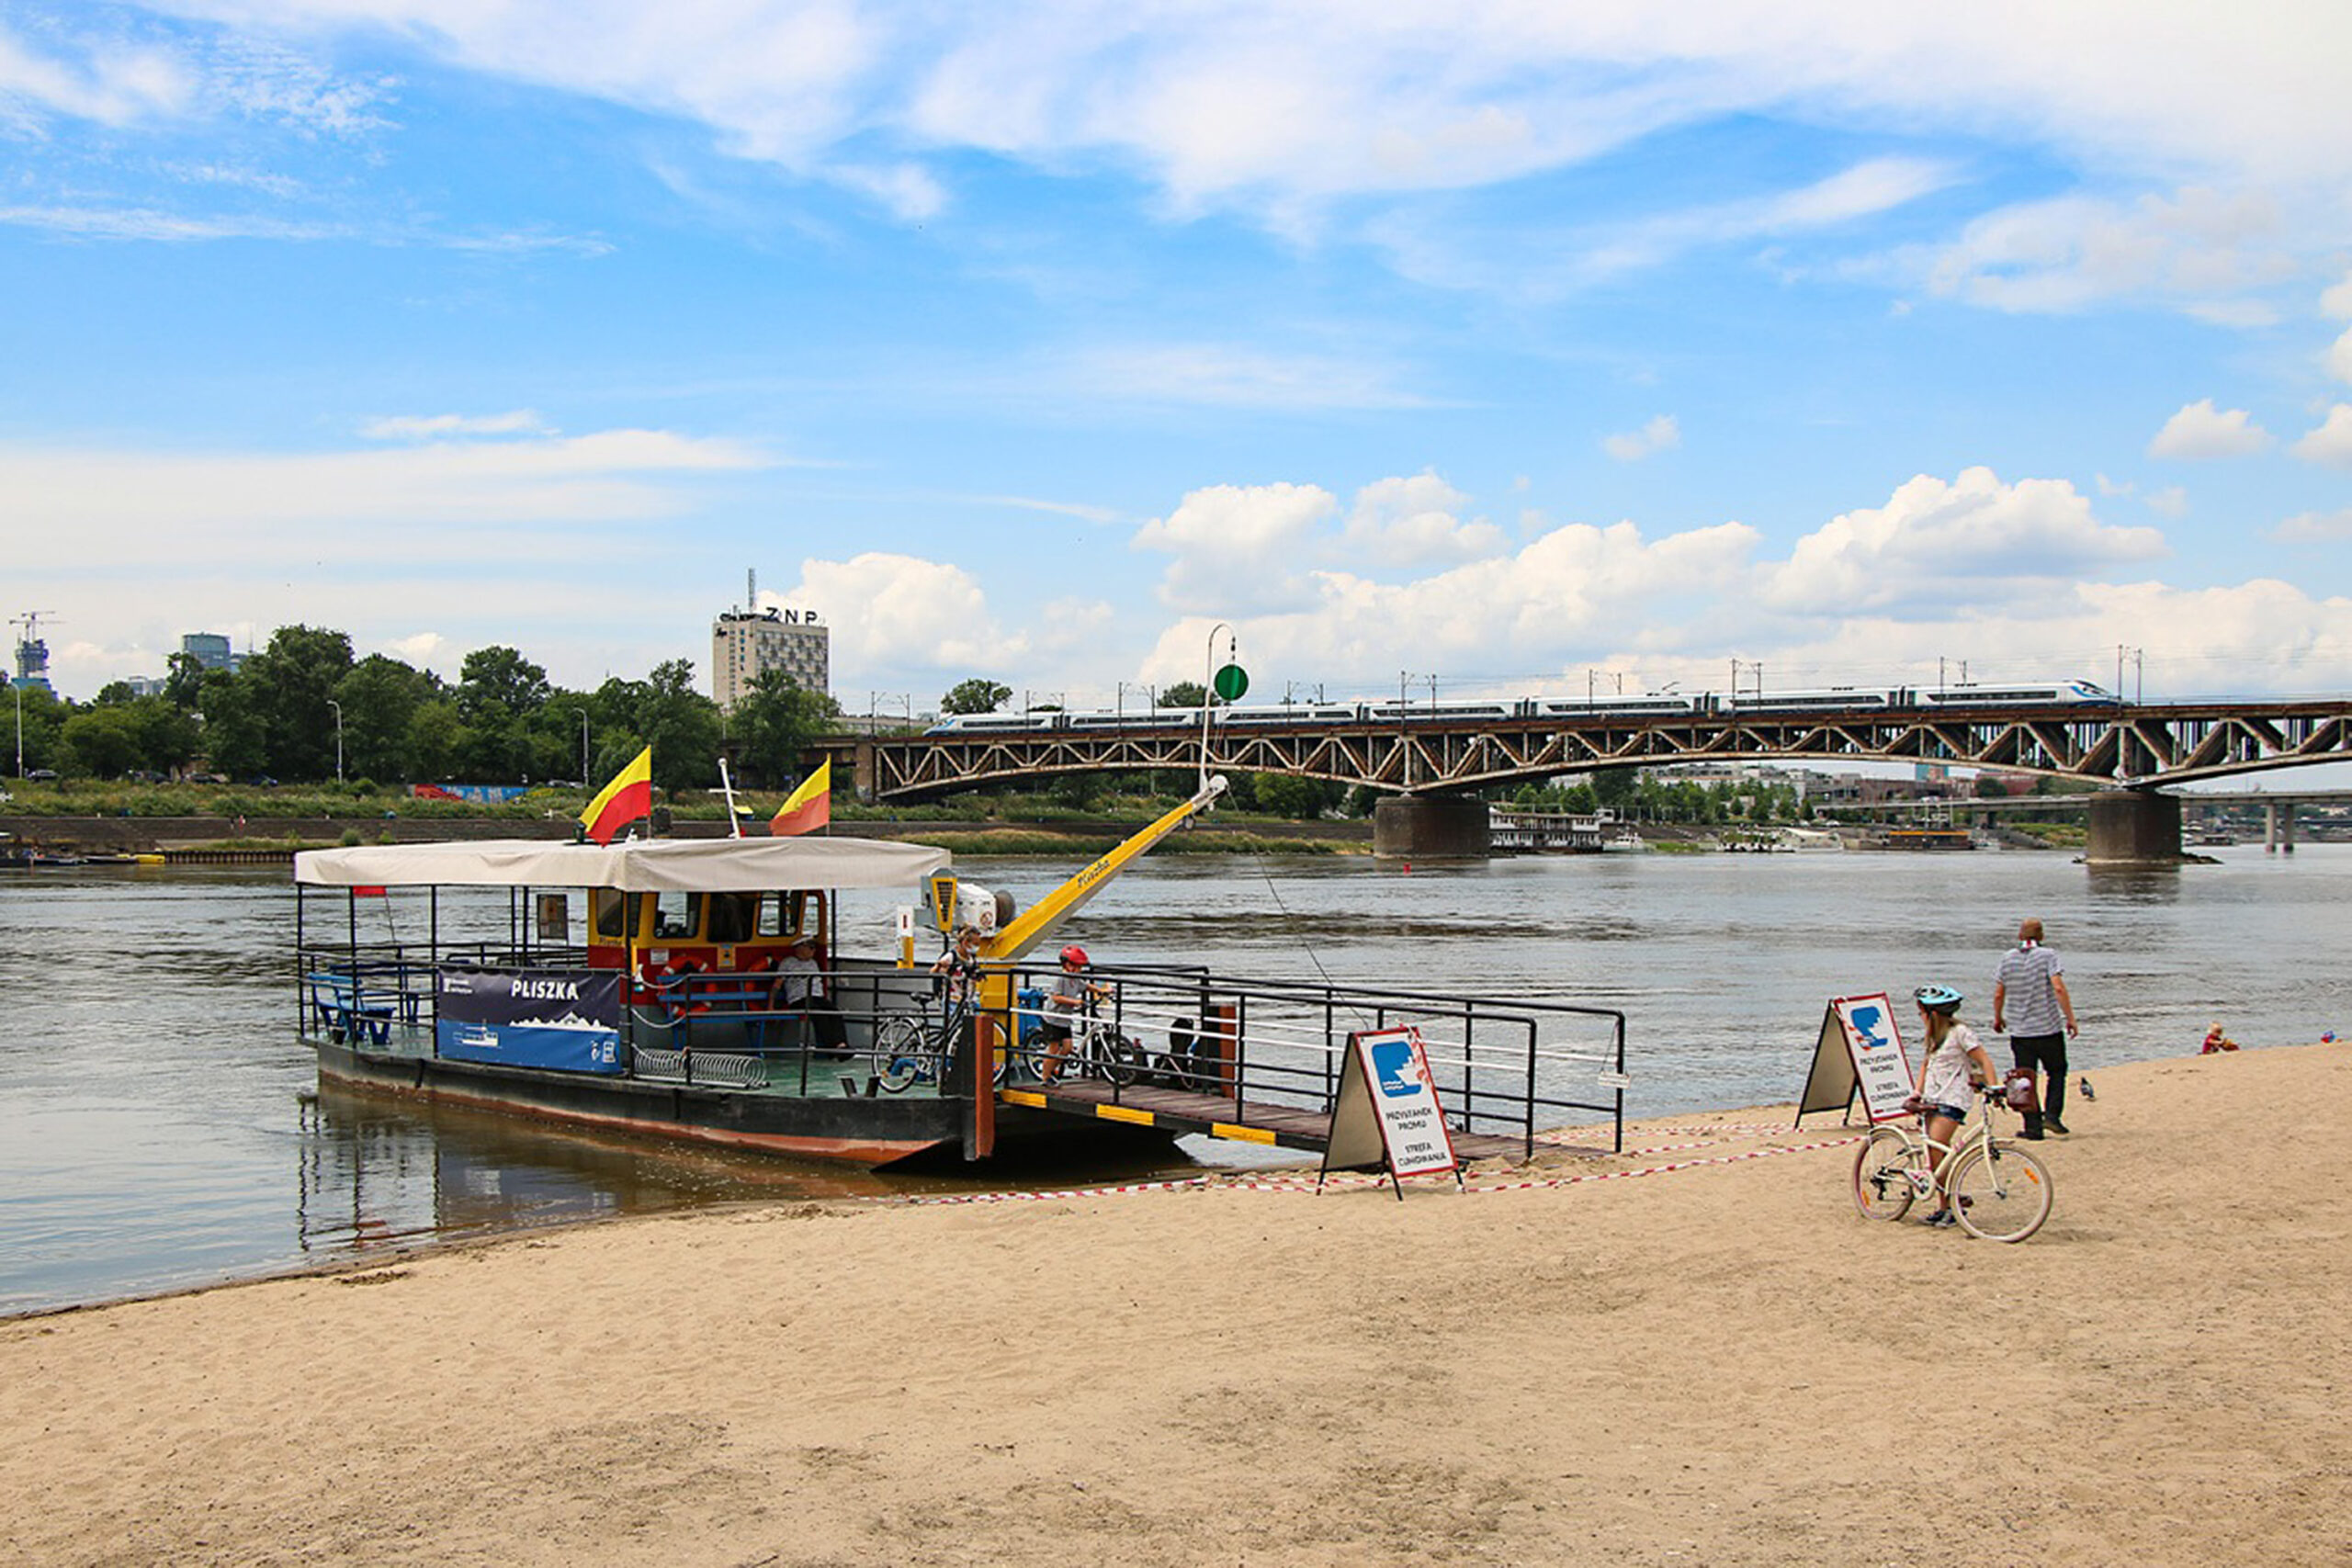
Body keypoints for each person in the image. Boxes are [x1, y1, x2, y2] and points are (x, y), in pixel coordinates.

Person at [1903, 984, 1998, 1229]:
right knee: (1936, 1158)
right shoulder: (1934, 1036)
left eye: (1921, 1013)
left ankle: (1952, 1204)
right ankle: (1944, 1206)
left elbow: (1983, 1059)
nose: (1920, 1017)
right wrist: (1917, 1092)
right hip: (1932, 1099)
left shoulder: (1960, 1033)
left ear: (1932, 1013)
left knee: (1939, 1153)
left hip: (1953, 1100)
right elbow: (1926, 1065)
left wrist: (1993, 1088)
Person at [1993, 917, 2079, 1139]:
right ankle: (2051, 1116)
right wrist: (2070, 1018)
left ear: (2020, 935)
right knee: (2057, 1071)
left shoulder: (2007, 958)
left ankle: (2032, 1127)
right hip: (2048, 1028)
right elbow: (2058, 988)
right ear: (2041, 936)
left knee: (2025, 1079)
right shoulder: (2048, 955)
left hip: (2020, 1031)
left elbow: (1999, 992)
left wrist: (1998, 1017)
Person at [1037, 943, 1109, 1085]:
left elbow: (1086, 986)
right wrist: (1075, 1001)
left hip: (1065, 1019)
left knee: (1068, 1048)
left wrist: (1101, 990)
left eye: (1080, 967)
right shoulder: (1060, 978)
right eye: (1075, 966)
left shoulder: (1075, 979)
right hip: (1053, 1018)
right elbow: (1056, 997)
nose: (1078, 970)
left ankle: (1052, 1068)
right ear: (1066, 965)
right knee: (1054, 1048)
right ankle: (1045, 1076)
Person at [772, 937, 849, 1054]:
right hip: (798, 999)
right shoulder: (787, 963)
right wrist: (770, 1005)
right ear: (800, 948)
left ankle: (842, 1044)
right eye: (811, 948)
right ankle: (832, 1048)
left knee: (834, 1012)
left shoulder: (813, 963)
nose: (814, 951)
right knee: (818, 1014)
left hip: (817, 997)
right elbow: (777, 985)